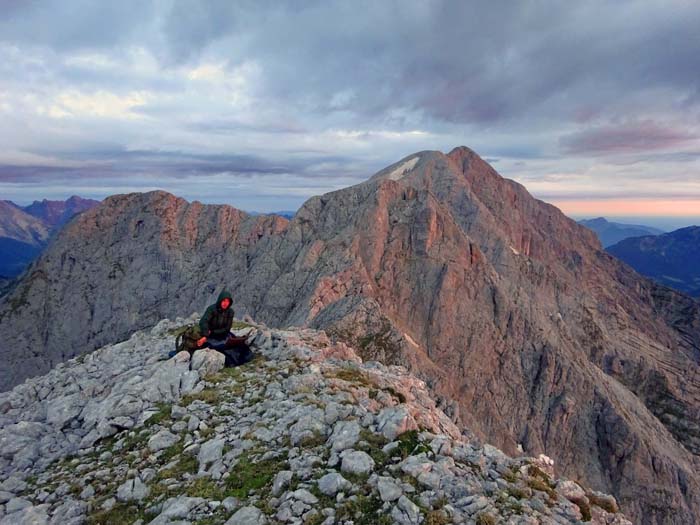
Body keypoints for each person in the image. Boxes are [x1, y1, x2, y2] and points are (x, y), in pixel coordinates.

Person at [196, 288, 253, 366]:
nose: (225, 303)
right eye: (224, 301)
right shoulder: (211, 309)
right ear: (220, 300)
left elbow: (227, 329)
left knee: (238, 344)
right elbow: (203, 322)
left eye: (227, 301)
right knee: (221, 347)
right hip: (211, 336)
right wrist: (206, 335)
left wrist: (212, 332)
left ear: (230, 302)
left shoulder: (230, 312)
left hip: (222, 334)